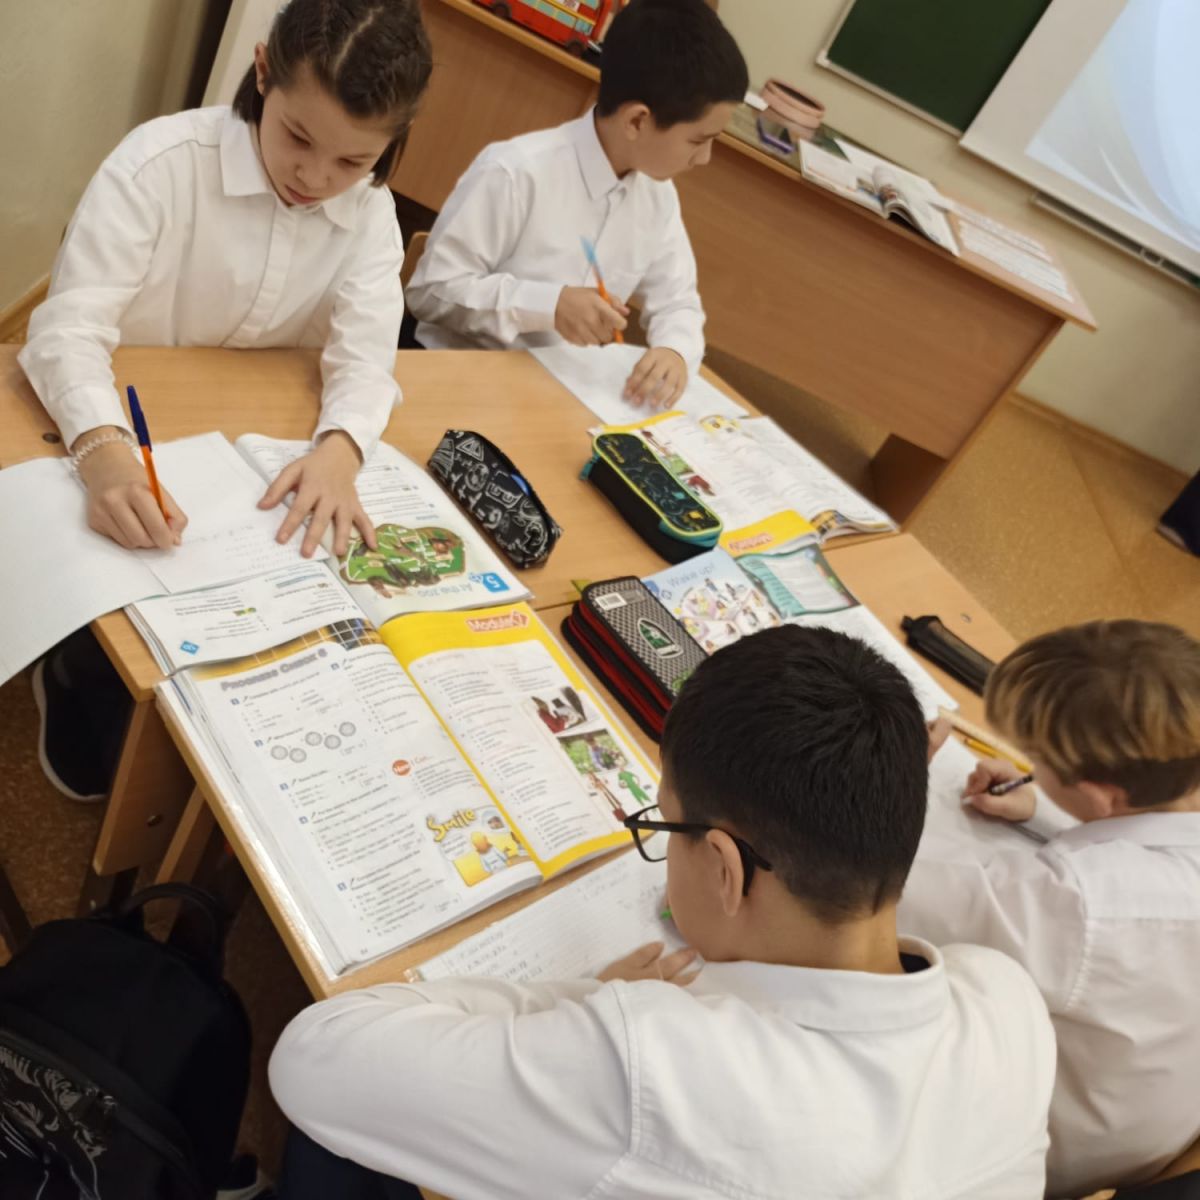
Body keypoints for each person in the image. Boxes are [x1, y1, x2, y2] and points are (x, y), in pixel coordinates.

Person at [269, 626, 1055, 1199]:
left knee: (343, 1144)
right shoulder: (1009, 1004)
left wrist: (595, 999)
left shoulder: (659, 1061)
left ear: (724, 869)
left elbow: (314, 1057)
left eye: (665, 828)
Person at [20, 0, 432, 800]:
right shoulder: (160, 164)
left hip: (242, 459)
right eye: (298, 138)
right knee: (125, 574)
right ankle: (74, 669)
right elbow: (65, 331)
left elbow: (367, 359)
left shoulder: (369, 214)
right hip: (119, 429)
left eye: (354, 160)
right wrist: (101, 453)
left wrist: (342, 448)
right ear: (262, 71)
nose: (316, 179)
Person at [900, 620, 1200, 1198]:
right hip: (1151, 1113)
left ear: (1099, 794)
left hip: (1039, 1142)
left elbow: (883, 894)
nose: (1028, 767)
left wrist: (891, 776)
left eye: (1038, 761)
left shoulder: (1078, 904)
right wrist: (1047, 810)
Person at [405, 0, 748, 410]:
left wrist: (674, 349)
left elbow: (678, 302)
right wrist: (547, 305)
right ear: (637, 121)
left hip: (559, 393)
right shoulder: (518, 172)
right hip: (461, 381)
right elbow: (430, 292)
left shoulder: (657, 197)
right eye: (698, 140)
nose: (704, 159)